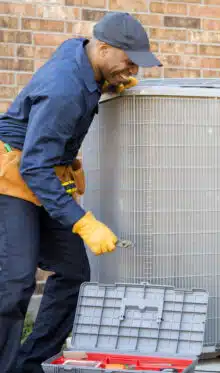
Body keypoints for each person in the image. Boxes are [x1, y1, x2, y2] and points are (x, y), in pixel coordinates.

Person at [0, 12, 161, 373]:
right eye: (128, 61)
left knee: (73, 272)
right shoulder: (65, 90)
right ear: (103, 48)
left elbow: (84, 64)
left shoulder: (83, 59)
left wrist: (109, 81)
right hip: (11, 177)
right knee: (15, 283)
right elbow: (34, 167)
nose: (132, 69)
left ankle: (28, 364)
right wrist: (83, 222)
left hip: (41, 172)